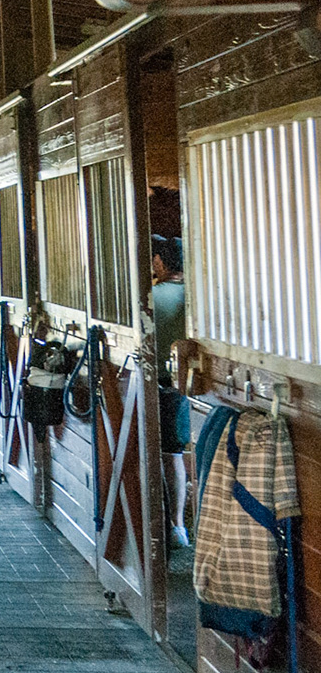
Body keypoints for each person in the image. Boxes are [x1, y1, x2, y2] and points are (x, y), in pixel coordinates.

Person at [151, 234, 191, 548]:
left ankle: (160, 524)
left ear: (160, 262)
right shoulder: (196, 297)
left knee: (156, 455)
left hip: (159, 384)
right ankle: (179, 526)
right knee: (174, 456)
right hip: (188, 387)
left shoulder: (152, 297)